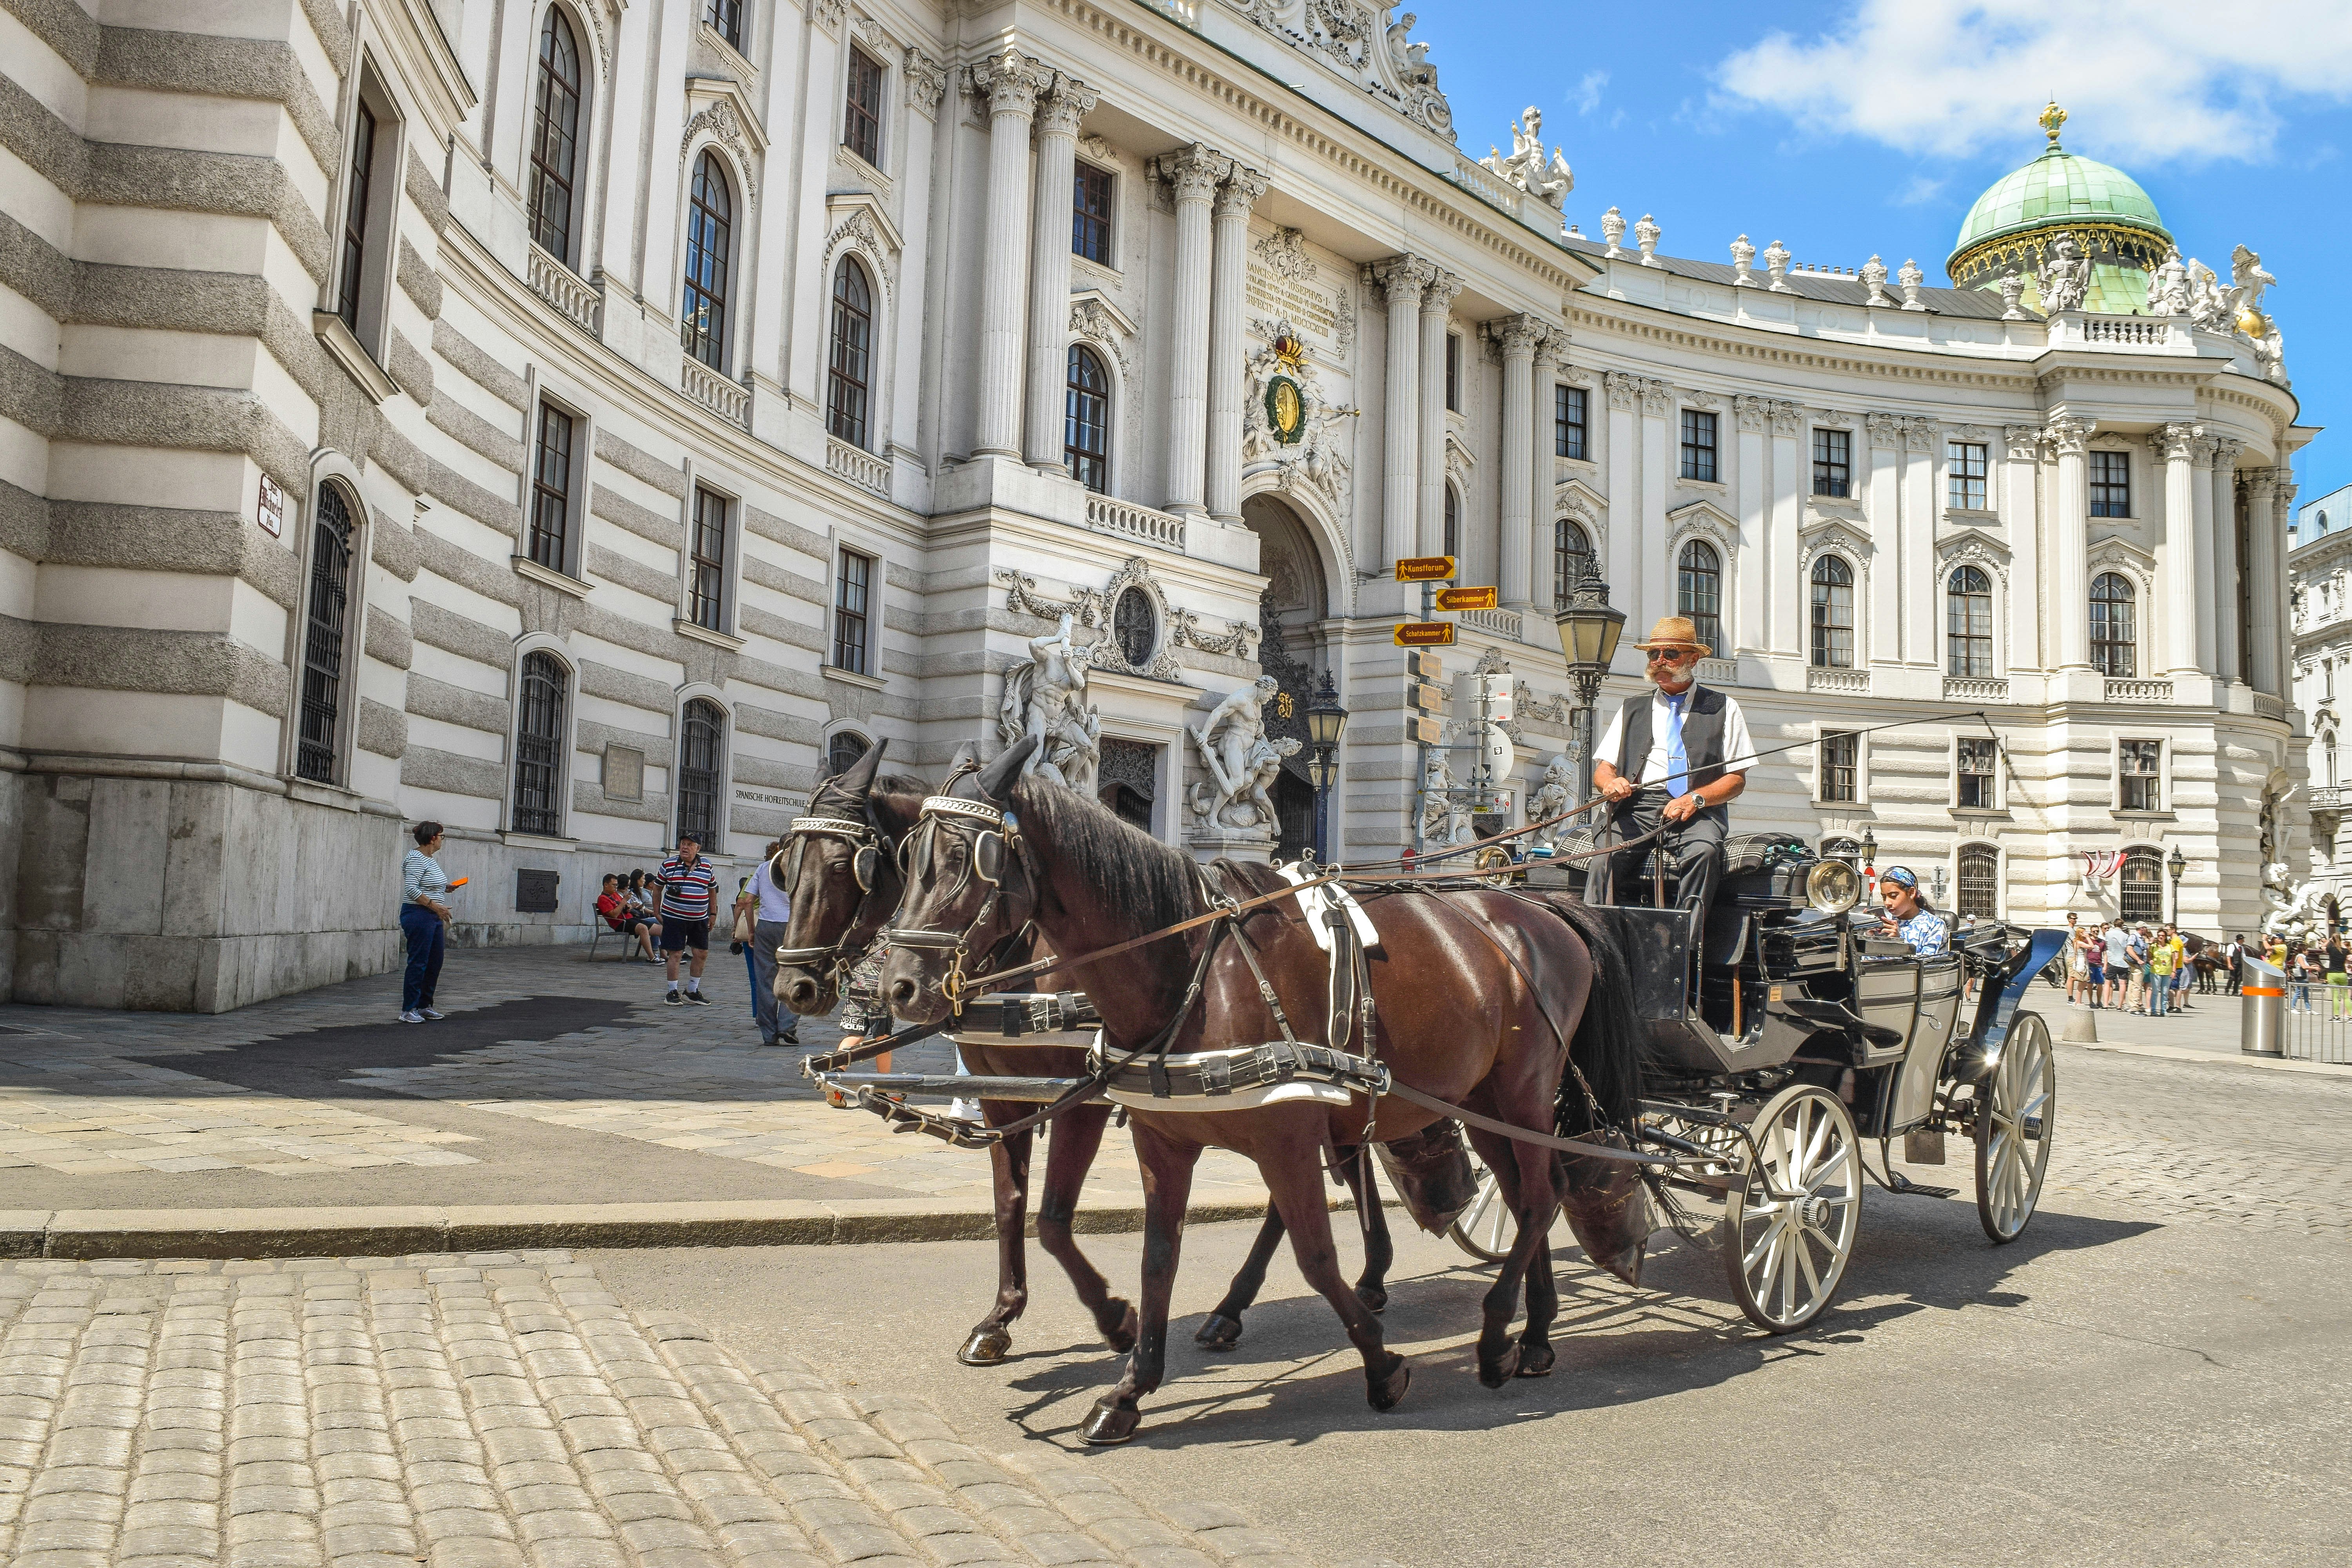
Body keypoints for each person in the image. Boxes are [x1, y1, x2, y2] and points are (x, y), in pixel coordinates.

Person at [1593, 616, 1753, 926]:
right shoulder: (1632, 707)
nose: (1659, 661)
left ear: (1693, 659)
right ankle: (1598, 939)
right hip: (1636, 807)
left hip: (1698, 810)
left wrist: (1696, 799)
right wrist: (1611, 785)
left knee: (1704, 853)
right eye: (1654, 655)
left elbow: (1736, 780)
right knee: (1605, 858)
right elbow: (1604, 768)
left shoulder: (1724, 707)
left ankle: (1686, 943)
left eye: (1670, 654)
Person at [742, 845, 799, 1048]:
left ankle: (768, 1034)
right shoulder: (800, 867)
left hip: (766, 926)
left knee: (765, 979)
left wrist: (751, 930)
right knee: (795, 976)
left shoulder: (763, 868)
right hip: (793, 927)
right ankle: (787, 1026)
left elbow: (748, 901)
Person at [399, 821, 454, 1024]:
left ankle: (424, 1006)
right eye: (442, 836)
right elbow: (412, 890)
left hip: (432, 916)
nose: (442, 840)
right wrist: (436, 906)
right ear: (433, 838)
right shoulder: (416, 858)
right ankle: (408, 1009)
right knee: (419, 963)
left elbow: (428, 883)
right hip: (418, 915)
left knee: (434, 962)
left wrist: (445, 887)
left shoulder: (429, 859)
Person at [655, 831, 718, 1005]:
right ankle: (672, 992)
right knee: (676, 953)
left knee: (701, 953)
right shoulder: (668, 864)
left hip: (699, 918)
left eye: (690, 845)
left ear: (698, 849)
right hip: (674, 917)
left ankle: (692, 990)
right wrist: (656, 912)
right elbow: (657, 889)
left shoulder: (706, 865)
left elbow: (712, 890)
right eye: (683, 843)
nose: (685, 847)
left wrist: (713, 914)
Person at [1873, 865, 1949, 955]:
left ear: (1911, 893)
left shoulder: (1934, 925)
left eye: (1893, 896)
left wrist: (1899, 943)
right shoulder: (1886, 921)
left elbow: (1926, 962)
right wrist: (1867, 937)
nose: (1887, 903)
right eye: (1884, 897)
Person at [595, 873, 658, 962]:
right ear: (606, 885)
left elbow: (626, 906)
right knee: (643, 928)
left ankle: (668, 955)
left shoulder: (615, 895)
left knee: (661, 928)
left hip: (631, 919)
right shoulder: (603, 899)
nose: (616, 887)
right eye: (614, 885)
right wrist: (624, 901)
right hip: (621, 923)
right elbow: (614, 915)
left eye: (617, 885)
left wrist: (629, 906)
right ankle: (652, 957)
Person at [2102, 920, 2132, 1010]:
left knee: (2108, 983)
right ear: (2122, 925)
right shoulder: (2126, 936)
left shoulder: (2109, 934)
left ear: (2114, 925)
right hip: (2123, 962)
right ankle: (2120, 1006)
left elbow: (2108, 945)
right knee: (2123, 984)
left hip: (2112, 961)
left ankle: (2106, 1005)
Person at [2147, 926, 2173, 1017]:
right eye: (2159, 935)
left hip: (2167, 972)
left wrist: (2174, 971)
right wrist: (2150, 960)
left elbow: (2174, 960)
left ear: (2165, 937)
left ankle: (2163, 1010)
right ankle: (2154, 1010)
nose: (2161, 937)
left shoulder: (2170, 947)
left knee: (2165, 992)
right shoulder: (2153, 946)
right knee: (2155, 991)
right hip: (2156, 971)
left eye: (2162, 935)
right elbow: (2149, 957)